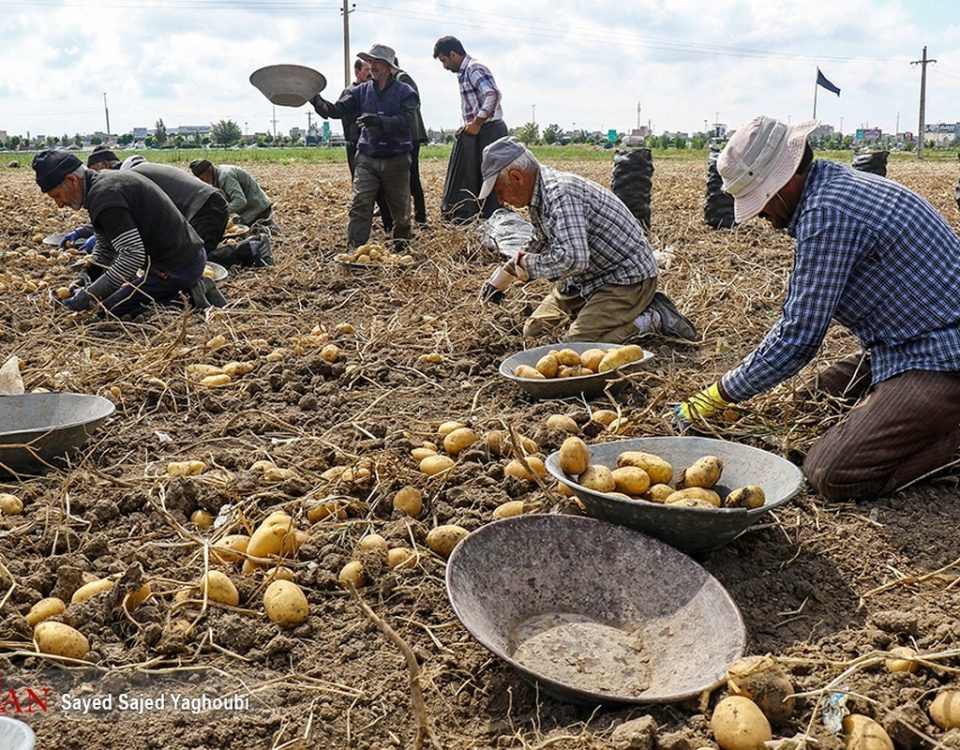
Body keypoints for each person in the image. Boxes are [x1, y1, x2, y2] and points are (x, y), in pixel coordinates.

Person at [676, 115, 960, 502]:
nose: (761, 214)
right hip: (897, 346)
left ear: (787, 179)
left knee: (830, 472)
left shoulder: (829, 211)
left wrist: (720, 394)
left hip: (942, 357)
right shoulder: (833, 188)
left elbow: (799, 337)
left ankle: (949, 443)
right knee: (807, 402)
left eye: (760, 199)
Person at [478, 136, 698, 344]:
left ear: (517, 177)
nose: (500, 200)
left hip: (624, 280)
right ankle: (595, 314)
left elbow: (574, 259)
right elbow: (540, 241)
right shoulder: (538, 196)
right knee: (534, 330)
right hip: (584, 279)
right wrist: (507, 271)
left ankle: (652, 319)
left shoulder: (561, 194)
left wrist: (527, 266)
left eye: (499, 191)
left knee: (576, 346)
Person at [32, 150, 223, 317]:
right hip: (180, 258)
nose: (59, 204)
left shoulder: (105, 196)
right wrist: (88, 275)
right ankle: (178, 286)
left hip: (176, 268)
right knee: (108, 298)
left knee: (109, 310)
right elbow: (106, 248)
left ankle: (190, 292)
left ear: (72, 180)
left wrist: (89, 295)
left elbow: (132, 256)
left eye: (57, 195)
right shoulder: (101, 185)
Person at [310, 43, 418, 252]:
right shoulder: (361, 92)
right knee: (360, 204)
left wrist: (378, 120)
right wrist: (315, 100)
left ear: (389, 66)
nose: (371, 66)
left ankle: (400, 250)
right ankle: (354, 251)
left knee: (402, 215)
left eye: (376, 62)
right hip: (367, 158)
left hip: (396, 159)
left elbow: (406, 121)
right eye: (369, 61)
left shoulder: (406, 93)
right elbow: (336, 110)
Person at [433, 36, 508, 223]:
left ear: (453, 54)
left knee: (490, 177)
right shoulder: (463, 73)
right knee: (477, 175)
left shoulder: (474, 68)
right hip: (481, 129)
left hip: (490, 129)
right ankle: (479, 216)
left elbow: (493, 94)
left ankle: (494, 218)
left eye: (444, 60)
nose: (444, 66)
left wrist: (477, 122)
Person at [378, 56, 428, 228]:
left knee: (412, 176)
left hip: (410, 134)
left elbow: (412, 104)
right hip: (404, 135)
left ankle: (421, 216)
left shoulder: (402, 79)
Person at [189, 159, 275, 231]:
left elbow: (240, 201)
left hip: (258, 209)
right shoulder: (216, 176)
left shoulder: (225, 176)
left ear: (208, 171)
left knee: (244, 231)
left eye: (202, 178)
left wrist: (222, 212)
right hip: (250, 210)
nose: (202, 181)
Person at [338, 58, 372, 178]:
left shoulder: (373, 90)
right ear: (357, 72)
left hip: (371, 143)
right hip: (355, 142)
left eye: (370, 69)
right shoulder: (349, 92)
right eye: (366, 69)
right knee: (358, 178)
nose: (370, 73)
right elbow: (341, 113)